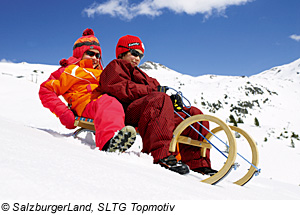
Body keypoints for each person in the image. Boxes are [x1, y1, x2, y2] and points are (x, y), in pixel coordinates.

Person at [99, 35, 217, 175]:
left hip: (152, 113)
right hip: (127, 111)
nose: (137, 58)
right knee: (159, 98)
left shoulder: (144, 76)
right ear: (123, 52)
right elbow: (119, 87)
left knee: (194, 115)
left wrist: (173, 102)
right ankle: (160, 155)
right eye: (134, 53)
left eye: (140, 56)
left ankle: (197, 163)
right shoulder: (115, 67)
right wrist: (155, 91)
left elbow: (157, 95)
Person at [39, 29, 136, 152]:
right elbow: (46, 90)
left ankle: (161, 153)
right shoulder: (70, 71)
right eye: (90, 54)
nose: (95, 58)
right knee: (109, 102)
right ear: (80, 54)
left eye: (98, 55)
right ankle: (109, 142)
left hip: (108, 105)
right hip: (87, 104)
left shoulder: (103, 73)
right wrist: (63, 113)